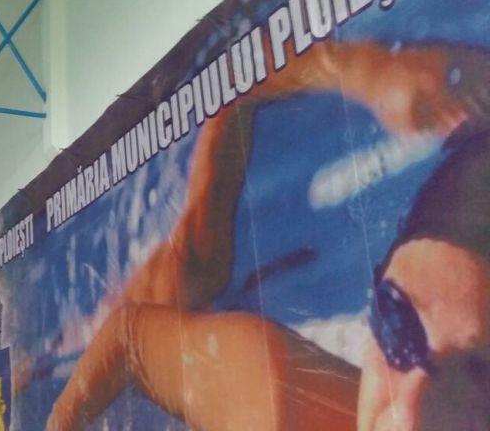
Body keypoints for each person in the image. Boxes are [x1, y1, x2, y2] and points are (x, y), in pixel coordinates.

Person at [46, 40, 490, 430]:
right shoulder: (275, 401)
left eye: (479, 378)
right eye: (396, 325)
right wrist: (361, 67)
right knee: (192, 271)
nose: (406, 417)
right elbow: (127, 337)